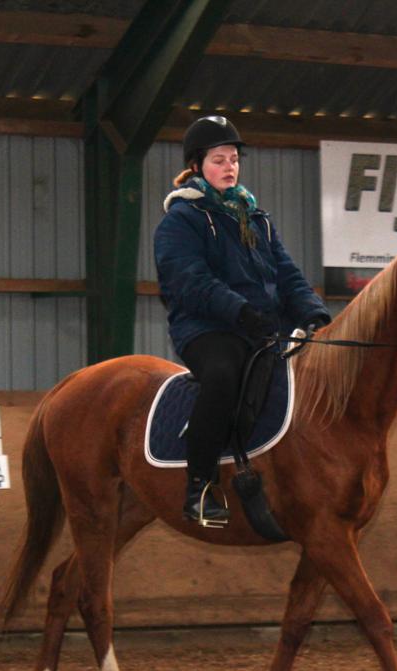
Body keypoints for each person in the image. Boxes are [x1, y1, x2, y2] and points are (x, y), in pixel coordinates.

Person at [154, 115, 330, 523]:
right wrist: (240, 311)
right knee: (223, 374)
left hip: (262, 325)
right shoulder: (181, 221)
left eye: (234, 159)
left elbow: (287, 274)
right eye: (219, 159)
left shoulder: (257, 220)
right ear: (197, 166)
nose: (229, 167)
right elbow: (189, 281)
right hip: (207, 327)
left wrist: (314, 312)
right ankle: (200, 486)